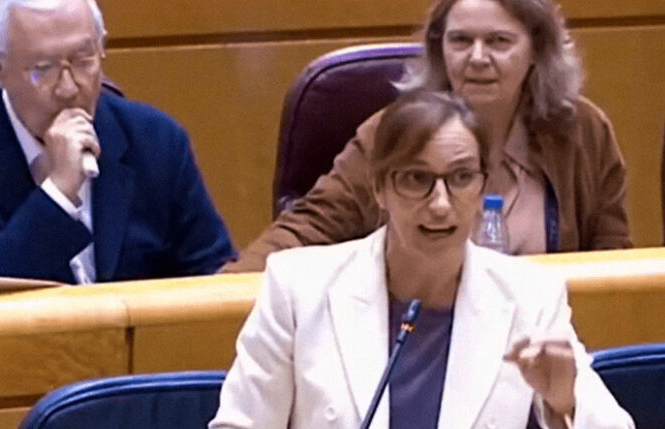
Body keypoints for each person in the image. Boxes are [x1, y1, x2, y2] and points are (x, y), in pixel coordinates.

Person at [207, 91, 640, 429]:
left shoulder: (528, 297)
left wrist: (566, 402)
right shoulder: (300, 287)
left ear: (483, 186)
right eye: (416, 179)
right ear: (379, 187)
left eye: (461, 178)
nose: (440, 203)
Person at [226, 0, 629, 272]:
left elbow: (612, 262)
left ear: (537, 51)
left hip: (546, 346)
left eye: (499, 42)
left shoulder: (582, 132)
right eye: (461, 40)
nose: (477, 58)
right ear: (440, 49)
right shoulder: (391, 133)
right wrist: (223, 293)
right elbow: (309, 228)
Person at [0, 0, 235, 291]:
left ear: (102, 48)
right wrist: (57, 196)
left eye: (83, 60)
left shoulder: (157, 141)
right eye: (42, 70)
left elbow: (212, 277)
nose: (69, 88)